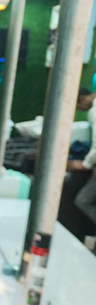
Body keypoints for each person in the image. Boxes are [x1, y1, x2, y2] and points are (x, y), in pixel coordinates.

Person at [69, 87, 96, 225]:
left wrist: (85, 164)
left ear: (82, 99)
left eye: (78, 106)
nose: (80, 110)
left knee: (83, 200)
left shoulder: (94, 111)